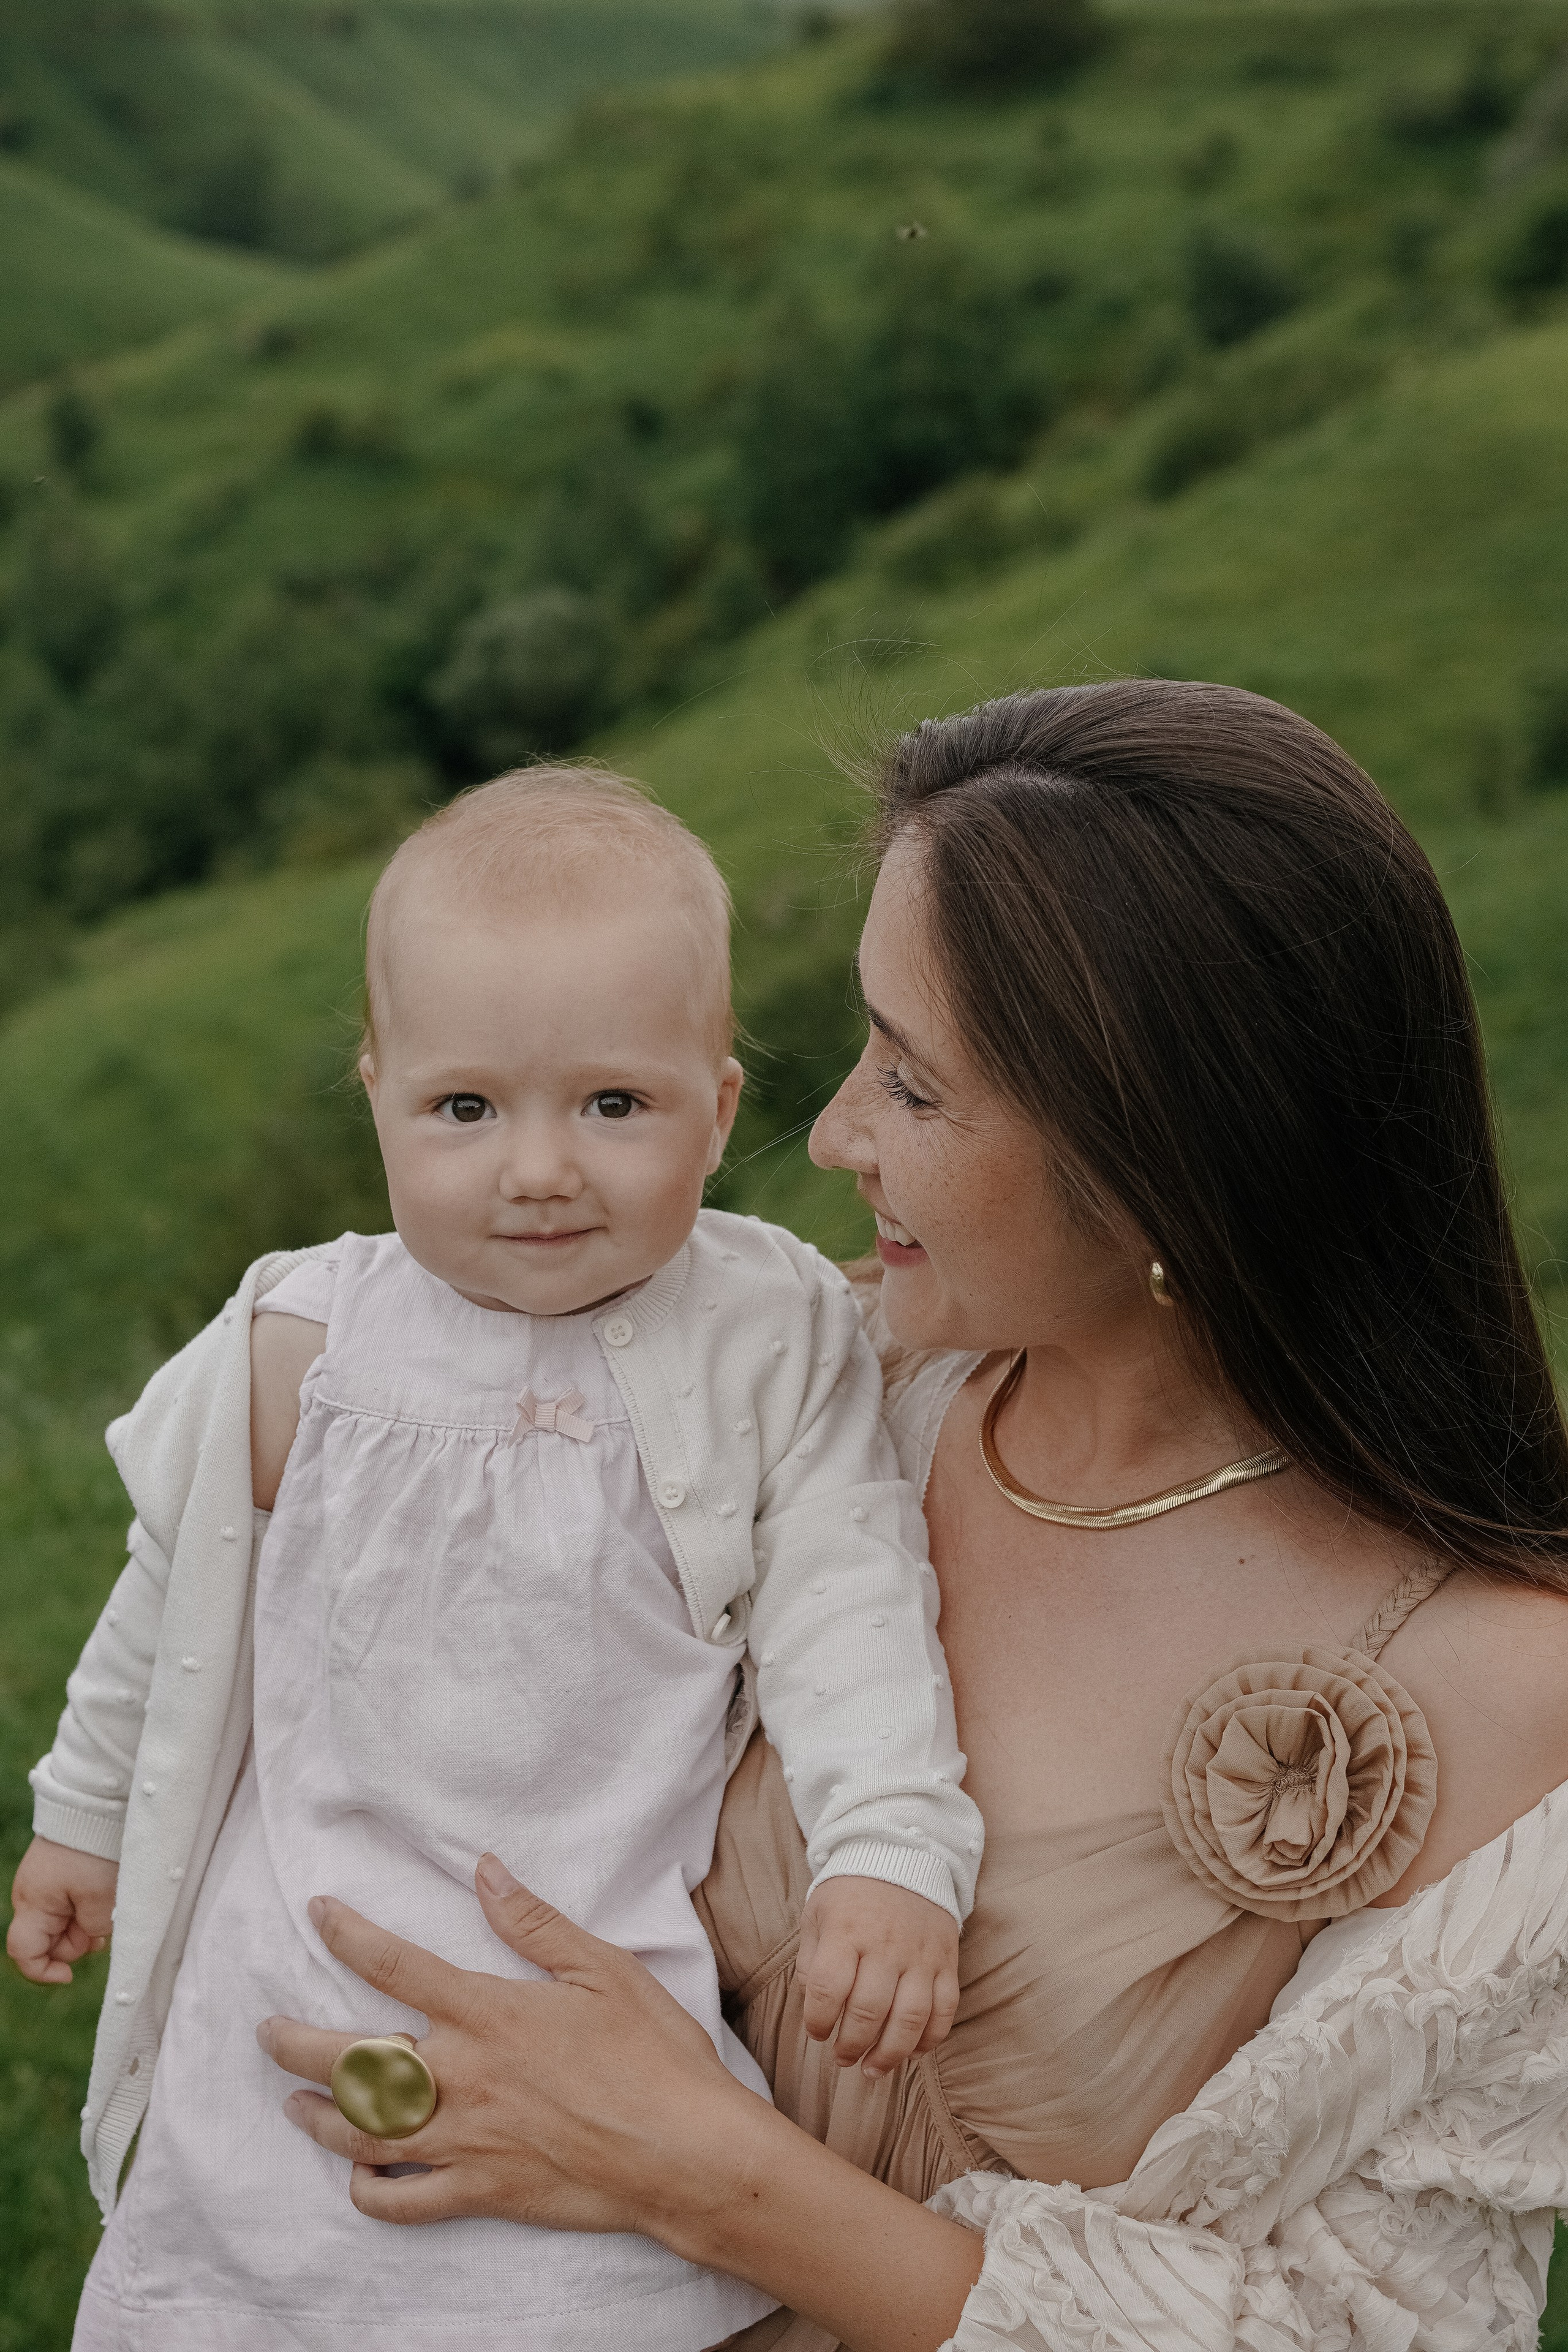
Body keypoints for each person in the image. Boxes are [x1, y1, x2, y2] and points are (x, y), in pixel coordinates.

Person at [259, 683, 1568, 2352]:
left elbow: (1364, 2333)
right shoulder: (815, 1391)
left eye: (916, 1085)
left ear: (1169, 1156)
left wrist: (701, 2176)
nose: (830, 1137)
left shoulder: (1513, 1708)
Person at [7, 766, 986, 2351]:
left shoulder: (765, 1335)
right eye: (467, 1109)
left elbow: (853, 1603)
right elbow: (169, 1601)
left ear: (720, 1107)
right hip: (301, 1948)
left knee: (562, 2297)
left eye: (615, 1105)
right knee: (269, 2266)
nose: (539, 1169)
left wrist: (889, 1850)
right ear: (380, 1092)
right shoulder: (306, 1341)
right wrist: (86, 1818)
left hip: (593, 1965)